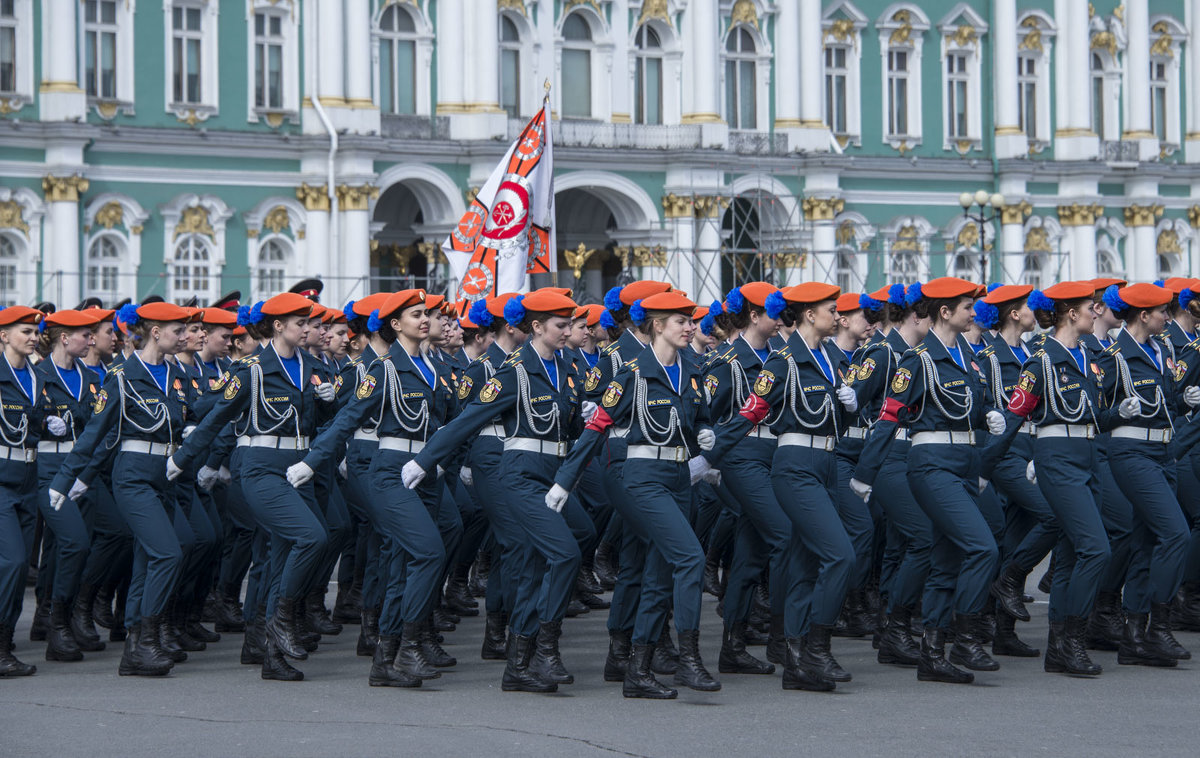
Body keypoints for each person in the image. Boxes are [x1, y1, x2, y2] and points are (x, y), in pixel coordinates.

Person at [402, 289, 595, 694]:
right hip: (520, 477)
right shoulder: (513, 371)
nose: (567, 332)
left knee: (531, 564)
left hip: (553, 475)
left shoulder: (565, 366)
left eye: (568, 325)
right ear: (537, 326)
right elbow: (468, 420)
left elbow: (572, 425)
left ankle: (519, 664)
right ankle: (545, 648)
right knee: (565, 553)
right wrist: (425, 460)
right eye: (560, 325)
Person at [553, 290, 720, 699]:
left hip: (679, 475)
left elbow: (699, 416)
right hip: (641, 476)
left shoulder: (691, 371)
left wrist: (704, 437)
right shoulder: (630, 372)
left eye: (690, 320)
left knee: (660, 573)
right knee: (689, 557)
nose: (690, 327)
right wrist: (565, 479)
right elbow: (597, 427)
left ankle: (639, 670)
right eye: (680, 321)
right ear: (658, 325)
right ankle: (689, 658)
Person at [290, 289, 458, 688]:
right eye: (415, 314)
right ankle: (411, 645)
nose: (424, 319)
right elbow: (346, 420)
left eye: (425, 313)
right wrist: (312, 463)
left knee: (401, 566)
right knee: (429, 551)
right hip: (390, 473)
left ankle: (386, 659)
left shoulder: (432, 368)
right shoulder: (383, 370)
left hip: (426, 474)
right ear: (395, 325)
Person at [166, 293, 337, 682]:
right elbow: (216, 417)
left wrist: (329, 401)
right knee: (313, 538)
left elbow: (315, 420)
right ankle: (282, 621)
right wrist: (183, 458)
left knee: (279, 560)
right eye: (301, 323)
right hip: (259, 469)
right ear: (278, 326)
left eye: (309, 322)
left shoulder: (311, 366)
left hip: (297, 469)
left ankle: (271, 655)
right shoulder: (252, 369)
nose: (309, 329)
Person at [852, 277, 1005, 685]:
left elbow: (975, 402)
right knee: (982, 547)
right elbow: (889, 416)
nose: (974, 313)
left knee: (947, 558)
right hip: (931, 464)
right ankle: (966, 637)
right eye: (967, 307)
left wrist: (988, 414)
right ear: (945, 312)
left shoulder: (967, 355)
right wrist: (865, 475)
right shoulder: (917, 359)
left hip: (964, 462)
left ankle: (932, 653)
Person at [710, 283, 858, 692]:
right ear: (810, 315)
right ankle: (815, 647)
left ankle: (795, 663)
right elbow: (748, 413)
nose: (838, 315)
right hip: (793, 465)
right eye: (832, 309)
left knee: (805, 559)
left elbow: (829, 420)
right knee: (839, 555)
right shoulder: (783, 360)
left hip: (826, 461)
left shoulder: (830, 357)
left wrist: (850, 408)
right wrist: (707, 458)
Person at [50, 301, 195, 677]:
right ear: (156, 331)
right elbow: (96, 435)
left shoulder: (172, 375)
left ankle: (136, 645)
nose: (184, 336)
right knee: (169, 553)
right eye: (178, 330)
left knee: (148, 558)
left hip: (165, 474)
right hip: (132, 477)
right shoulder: (122, 375)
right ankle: (147, 636)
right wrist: (66, 481)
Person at [996, 282, 1111, 675]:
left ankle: (1059, 648)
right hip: (1058, 460)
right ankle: (1073, 636)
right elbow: (1015, 416)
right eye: (1090, 306)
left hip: (1088, 457)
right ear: (1071, 313)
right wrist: (981, 465)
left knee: (1072, 555)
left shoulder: (1087, 358)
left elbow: (1093, 417)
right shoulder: (1041, 359)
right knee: (1098, 550)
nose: (1097, 312)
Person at [1095, 283, 1191, 666]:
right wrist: (1119, 413)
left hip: (1163, 450)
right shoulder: (1113, 358)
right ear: (1143, 316)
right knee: (1176, 533)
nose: (1168, 317)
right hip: (1131, 452)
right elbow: (1093, 416)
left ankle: (1134, 638)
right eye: (1162, 312)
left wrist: (1183, 399)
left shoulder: (1161, 349)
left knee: (1147, 540)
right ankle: (1158, 628)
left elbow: (1166, 400)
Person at [700, 282, 787, 677]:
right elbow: (708, 415)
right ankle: (783, 638)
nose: (780, 319)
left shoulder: (778, 356)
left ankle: (733, 645)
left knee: (751, 556)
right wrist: (708, 461)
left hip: (774, 456)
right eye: (772, 312)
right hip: (742, 458)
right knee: (785, 536)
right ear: (754, 315)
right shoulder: (728, 362)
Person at [34, 310, 106, 661]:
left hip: (82, 473)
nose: (90, 341)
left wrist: (86, 475)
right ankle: (57, 622)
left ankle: (55, 616)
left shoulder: (92, 377)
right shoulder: (36, 375)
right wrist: (42, 424)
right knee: (73, 543)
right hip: (48, 470)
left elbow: (101, 428)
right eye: (84, 335)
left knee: (73, 545)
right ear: (64, 337)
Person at [0, 306, 47, 677]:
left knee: (15, 568)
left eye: (34, 332)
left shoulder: (35, 375)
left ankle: (6, 640)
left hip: (28, 476)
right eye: (24, 331)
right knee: (14, 562)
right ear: (3, 335)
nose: (32, 337)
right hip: (0, 478)